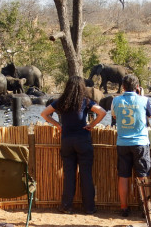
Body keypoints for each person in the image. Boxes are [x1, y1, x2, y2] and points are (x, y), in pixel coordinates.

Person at [40, 76, 106, 214]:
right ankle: (89, 208)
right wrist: (91, 125)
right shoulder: (86, 101)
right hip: (83, 140)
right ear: (82, 87)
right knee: (86, 174)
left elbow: (44, 113)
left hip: (67, 141)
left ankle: (66, 206)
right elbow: (102, 112)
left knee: (69, 174)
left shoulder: (61, 101)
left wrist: (58, 125)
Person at [112, 74, 151, 217]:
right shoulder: (144, 100)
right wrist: (141, 95)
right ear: (137, 87)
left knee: (123, 176)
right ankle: (146, 208)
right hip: (140, 143)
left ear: (123, 87)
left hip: (123, 143)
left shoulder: (116, 100)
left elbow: (114, 116)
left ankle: (124, 208)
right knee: (143, 176)